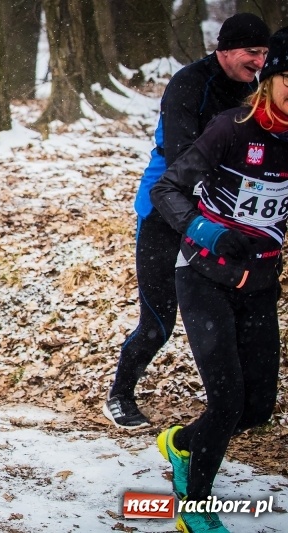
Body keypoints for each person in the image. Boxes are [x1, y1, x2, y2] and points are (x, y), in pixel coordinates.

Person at [149, 27, 288, 533]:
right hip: (204, 274)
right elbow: (168, 189)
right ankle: (196, 509)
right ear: (269, 79)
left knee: (255, 409)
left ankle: (182, 443)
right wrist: (208, 230)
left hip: (260, 282)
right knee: (226, 401)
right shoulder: (230, 128)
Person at [103, 13, 270, 429]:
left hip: (221, 215)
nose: (259, 62)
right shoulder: (190, 83)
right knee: (158, 321)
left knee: (232, 312)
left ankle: (236, 406)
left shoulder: (257, 89)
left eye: (266, 53)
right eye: (253, 52)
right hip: (164, 210)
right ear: (226, 49)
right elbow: (182, 155)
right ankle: (120, 395)